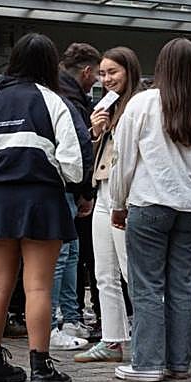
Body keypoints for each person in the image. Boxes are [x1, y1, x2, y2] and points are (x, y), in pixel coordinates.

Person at [0, 33, 87, 382]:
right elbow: (74, 164)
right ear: (49, 65)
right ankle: (41, 367)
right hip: (41, 199)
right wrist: (59, 180)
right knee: (38, 285)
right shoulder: (53, 101)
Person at [109, 37, 191, 382]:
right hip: (190, 208)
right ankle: (179, 362)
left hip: (149, 202)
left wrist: (117, 203)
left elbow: (122, 159)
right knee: (182, 286)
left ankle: (147, 362)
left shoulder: (143, 104)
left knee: (147, 284)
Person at [73, 46, 142, 365]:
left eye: (113, 72)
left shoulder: (139, 105)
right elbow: (96, 153)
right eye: (102, 73)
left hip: (126, 195)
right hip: (102, 190)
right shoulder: (105, 107)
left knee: (131, 269)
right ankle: (112, 340)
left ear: (129, 71)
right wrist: (96, 131)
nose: (106, 78)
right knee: (103, 272)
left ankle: (147, 336)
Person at [52, 42, 101, 352]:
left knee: (68, 254)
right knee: (61, 257)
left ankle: (68, 317)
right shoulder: (70, 101)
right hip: (64, 188)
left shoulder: (58, 95)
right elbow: (78, 150)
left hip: (61, 189)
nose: (98, 79)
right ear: (85, 71)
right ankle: (57, 319)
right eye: (97, 73)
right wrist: (85, 190)